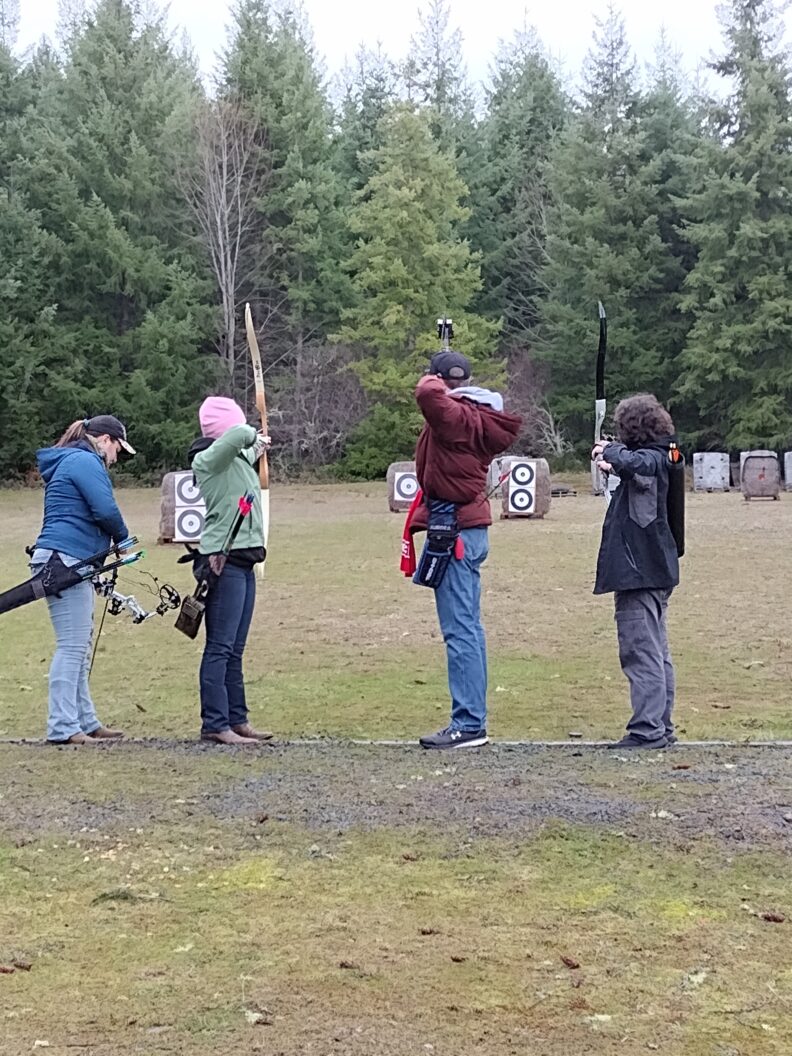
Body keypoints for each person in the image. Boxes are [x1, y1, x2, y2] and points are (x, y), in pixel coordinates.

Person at [407, 350, 522, 749]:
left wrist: (433, 377)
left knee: (460, 631)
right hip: (466, 528)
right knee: (468, 628)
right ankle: (471, 717)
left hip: (454, 530)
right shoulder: (478, 413)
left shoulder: (458, 416)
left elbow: (426, 393)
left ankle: (469, 722)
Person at [31, 415, 136, 745]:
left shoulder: (76, 459)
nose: (118, 457)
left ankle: (86, 721)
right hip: (65, 560)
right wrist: (124, 540)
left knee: (80, 643)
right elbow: (104, 509)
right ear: (105, 440)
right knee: (72, 646)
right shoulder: (85, 461)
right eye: (118, 448)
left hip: (68, 559)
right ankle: (62, 726)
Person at [591, 393, 684, 750]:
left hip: (640, 570)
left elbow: (639, 465)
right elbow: (639, 468)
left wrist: (608, 452)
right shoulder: (669, 453)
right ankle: (660, 726)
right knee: (657, 650)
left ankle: (647, 729)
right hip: (655, 567)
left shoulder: (653, 458)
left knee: (641, 650)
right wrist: (614, 460)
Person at [187, 396, 272, 745]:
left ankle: (237, 720)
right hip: (222, 562)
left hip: (244, 559)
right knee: (220, 646)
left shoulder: (235, 458)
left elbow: (246, 446)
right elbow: (239, 435)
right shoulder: (209, 461)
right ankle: (215, 724)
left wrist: (260, 443)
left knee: (235, 647)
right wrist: (252, 434)